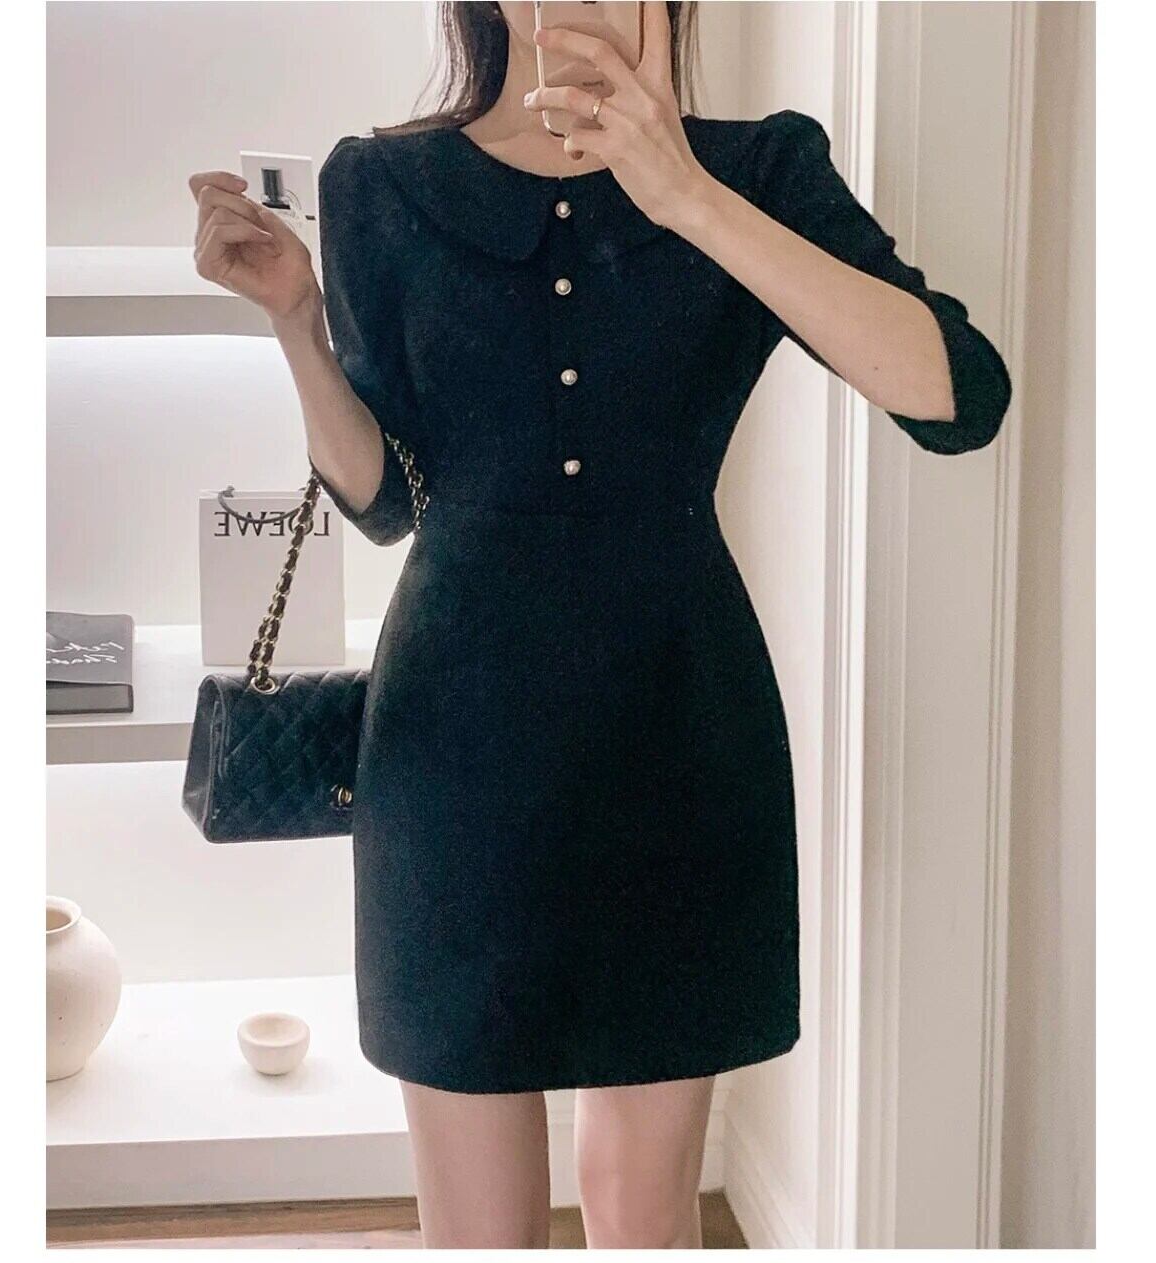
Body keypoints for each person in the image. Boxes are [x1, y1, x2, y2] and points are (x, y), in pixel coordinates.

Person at [187, 0, 1010, 1248]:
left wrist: (684, 196)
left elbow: (961, 395)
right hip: (452, 754)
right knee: (479, 1228)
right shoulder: (379, 186)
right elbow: (387, 503)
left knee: (645, 1212)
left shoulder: (758, 168)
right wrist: (296, 322)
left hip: (674, 732)